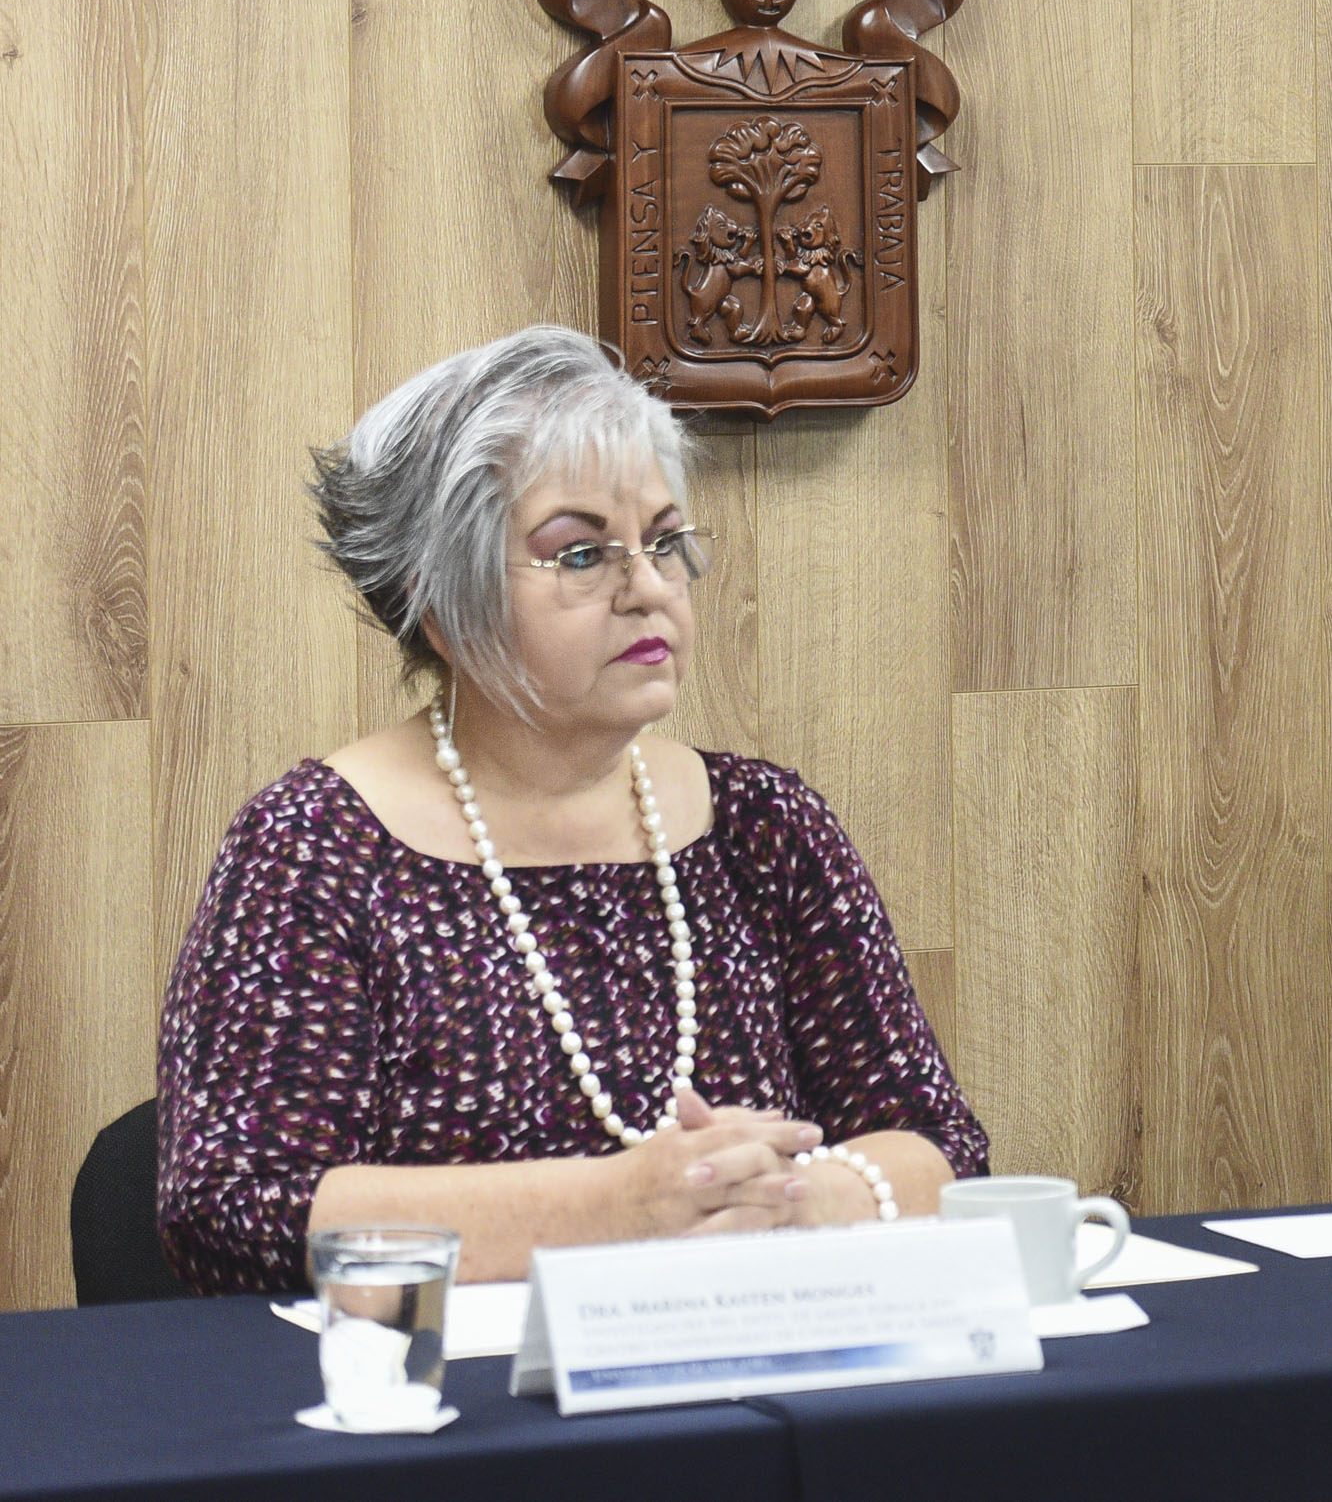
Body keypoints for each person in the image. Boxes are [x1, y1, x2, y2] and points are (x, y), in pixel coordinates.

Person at [156, 326, 986, 1292]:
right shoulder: (317, 847)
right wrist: (619, 1209)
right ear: (443, 604)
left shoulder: (764, 826)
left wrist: (797, 1200)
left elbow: (941, 1144)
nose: (648, 589)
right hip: (450, 1411)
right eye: (582, 553)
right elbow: (230, 1207)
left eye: (666, 542)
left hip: (754, 1371)